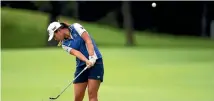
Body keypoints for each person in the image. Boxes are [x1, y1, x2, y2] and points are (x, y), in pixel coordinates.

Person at [47, 21, 104, 101]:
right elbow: (76, 53)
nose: (55, 39)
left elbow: (88, 40)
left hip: (96, 62)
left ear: (59, 30)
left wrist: (92, 57)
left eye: (54, 36)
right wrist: (87, 61)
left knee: (92, 96)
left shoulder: (76, 27)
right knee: (78, 98)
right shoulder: (64, 44)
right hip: (81, 65)